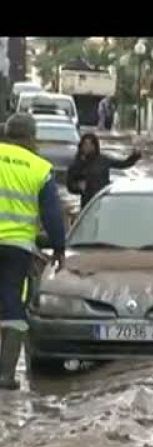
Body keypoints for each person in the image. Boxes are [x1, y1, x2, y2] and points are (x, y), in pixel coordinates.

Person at [0, 114, 66, 390]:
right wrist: (59, 247)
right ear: (32, 137)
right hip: (17, 249)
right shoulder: (40, 168)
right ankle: (5, 375)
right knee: (13, 306)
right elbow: (52, 215)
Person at [67, 133, 142, 211]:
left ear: (95, 146)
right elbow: (70, 184)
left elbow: (122, 164)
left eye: (91, 145)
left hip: (103, 199)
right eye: (85, 144)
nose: (88, 147)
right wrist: (78, 186)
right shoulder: (77, 163)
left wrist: (135, 156)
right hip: (87, 202)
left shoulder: (103, 160)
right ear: (81, 146)